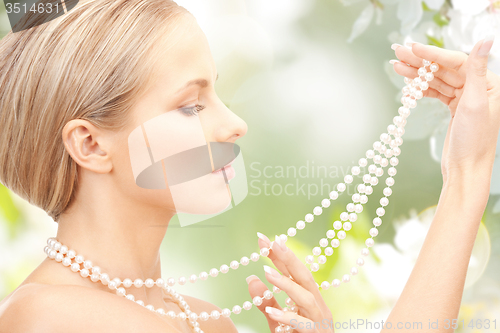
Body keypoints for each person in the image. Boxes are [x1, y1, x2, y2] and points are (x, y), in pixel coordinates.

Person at [0, 0, 498, 332]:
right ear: (89, 144)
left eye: (218, 91)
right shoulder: (46, 316)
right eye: (191, 105)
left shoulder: (208, 320)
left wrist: (468, 170)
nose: (234, 124)